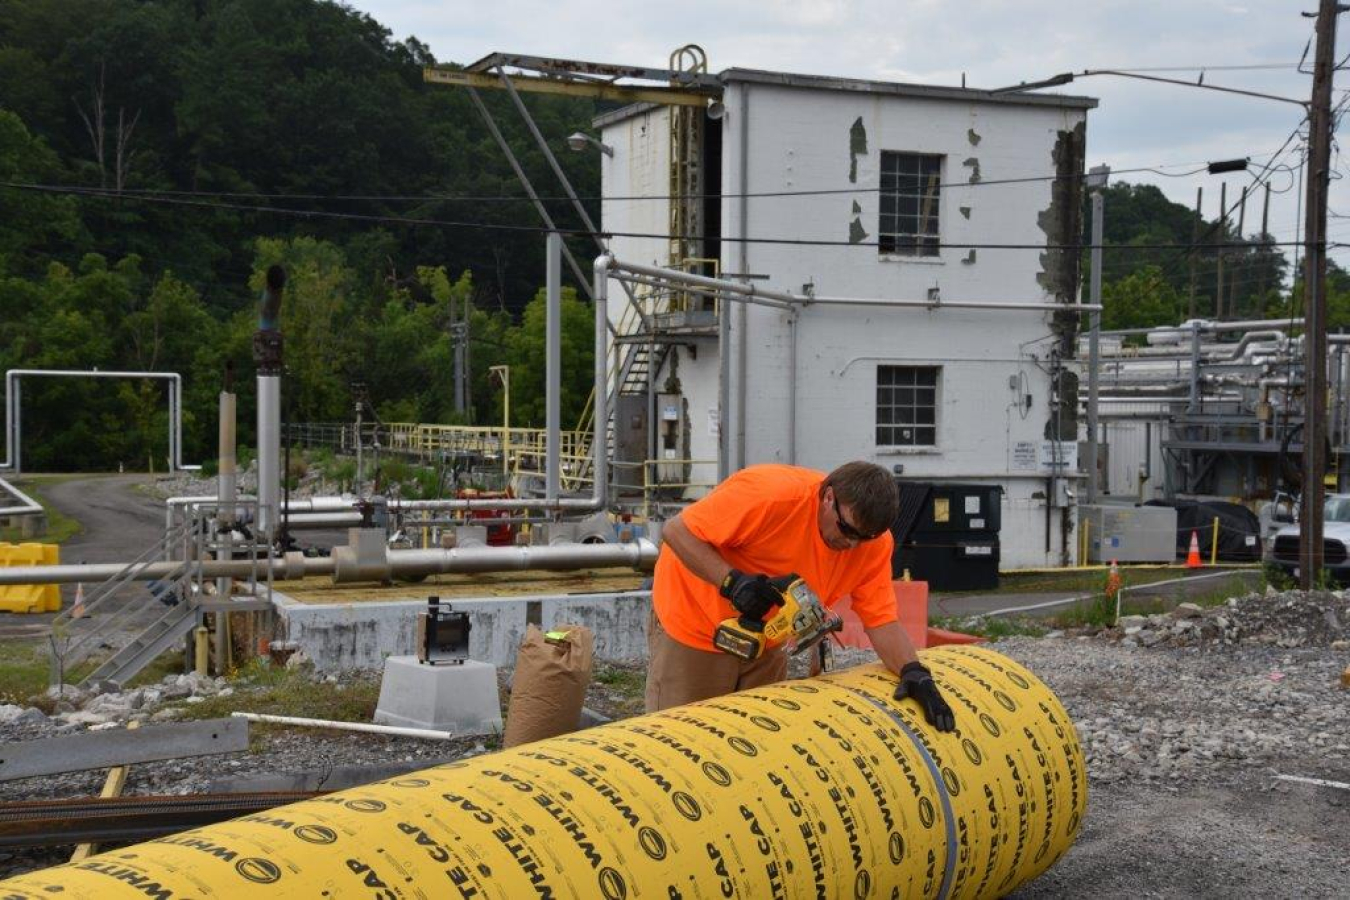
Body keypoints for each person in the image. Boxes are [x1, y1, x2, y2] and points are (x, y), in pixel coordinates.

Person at [646, 461, 956, 731]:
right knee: (683, 739)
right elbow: (676, 532)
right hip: (694, 625)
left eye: (864, 538)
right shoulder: (770, 496)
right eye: (847, 530)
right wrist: (732, 582)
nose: (852, 545)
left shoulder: (871, 543)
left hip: (765, 641)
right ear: (828, 496)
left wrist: (914, 672)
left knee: (750, 743)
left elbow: (882, 620)